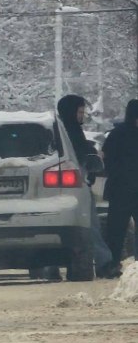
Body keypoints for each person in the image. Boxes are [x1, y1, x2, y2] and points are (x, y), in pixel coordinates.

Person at [56, 94, 120, 279]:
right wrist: (94, 154)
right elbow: (81, 152)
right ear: (71, 112)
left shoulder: (59, 131)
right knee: (90, 225)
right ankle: (104, 262)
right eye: (79, 111)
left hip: (53, 192)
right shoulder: (71, 132)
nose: (82, 115)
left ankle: (50, 267)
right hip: (75, 187)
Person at [102, 98, 138, 267]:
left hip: (122, 189)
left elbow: (107, 160)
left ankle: (116, 263)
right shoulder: (118, 134)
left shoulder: (116, 134)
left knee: (116, 229)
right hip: (121, 189)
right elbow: (107, 160)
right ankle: (113, 263)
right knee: (116, 230)